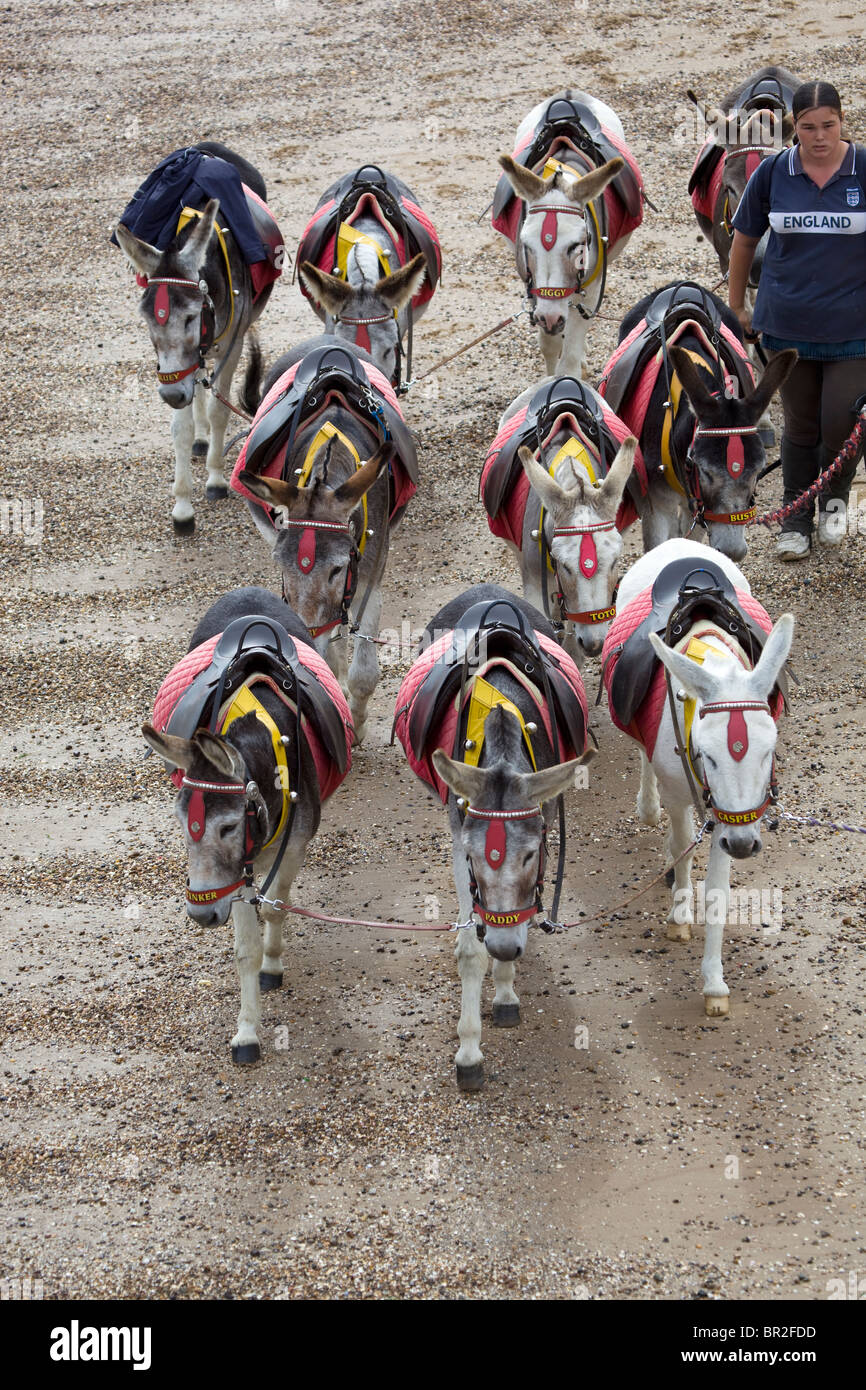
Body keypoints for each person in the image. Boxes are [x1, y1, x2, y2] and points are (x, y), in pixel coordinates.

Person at [728, 80, 866, 560]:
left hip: (855, 330)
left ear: (842, 121)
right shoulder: (773, 173)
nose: (820, 136)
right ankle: (794, 515)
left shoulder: (864, 169)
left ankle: (833, 500)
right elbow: (744, 240)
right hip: (786, 326)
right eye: (808, 127)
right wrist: (738, 306)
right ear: (794, 128)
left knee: (842, 424)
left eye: (829, 125)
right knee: (800, 427)